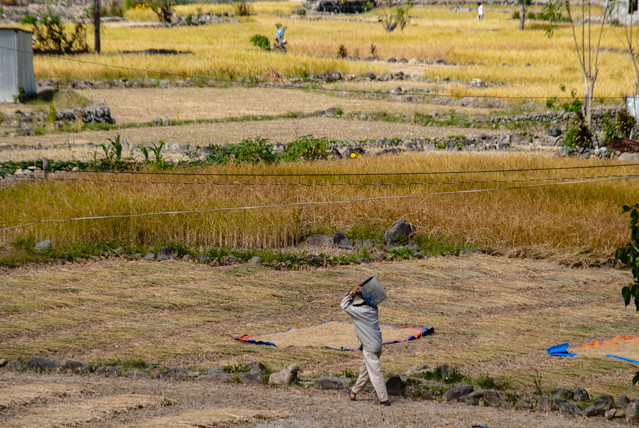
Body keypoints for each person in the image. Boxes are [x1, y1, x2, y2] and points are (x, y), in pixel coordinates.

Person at [340, 281, 390, 406]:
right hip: (377, 345)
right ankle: (353, 392)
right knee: (365, 371)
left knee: (374, 373)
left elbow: (344, 305)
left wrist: (352, 292)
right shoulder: (373, 309)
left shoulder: (360, 312)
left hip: (369, 347)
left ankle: (384, 399)